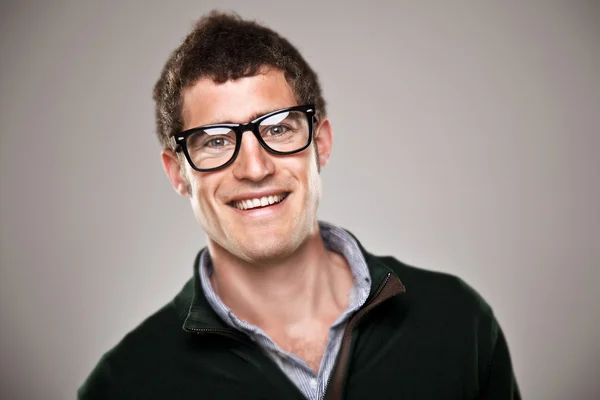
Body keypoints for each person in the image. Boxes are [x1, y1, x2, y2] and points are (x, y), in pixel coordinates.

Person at [79, 11, 520, 400]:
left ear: (321, 144)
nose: (254, 168)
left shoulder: (458, 321)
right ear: (178, 173)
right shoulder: (125, 384)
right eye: (215, 141)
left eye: (278, 129)